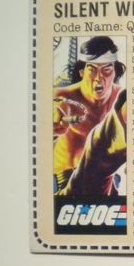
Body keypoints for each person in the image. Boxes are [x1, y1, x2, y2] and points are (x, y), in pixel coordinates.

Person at [53, 36, 126, 195]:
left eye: (106, 70)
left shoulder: (121, 99)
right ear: (82, 72)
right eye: (92, 70)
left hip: (106, 183)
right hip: (65, 183)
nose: (99, 78)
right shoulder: (62, 96)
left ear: (114, 72)